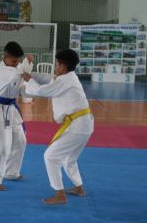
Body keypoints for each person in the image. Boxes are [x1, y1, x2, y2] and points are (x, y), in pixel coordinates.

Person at [22, 49, 94, 205]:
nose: (55, 67)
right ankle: (79, 188)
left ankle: (60, 194)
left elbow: (43, 90)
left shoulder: (65, 81)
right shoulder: (66, 77)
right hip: (82, 124)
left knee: (51, 156)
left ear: (63, 67)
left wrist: (28, 80)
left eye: (56, 65)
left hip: (78, 126)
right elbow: (47, 78)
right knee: (69, 159)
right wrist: (31, 75)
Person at [0, 41, 33, 191]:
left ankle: (11, 172)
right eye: (14, 61)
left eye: (18, 60)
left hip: (12, 108)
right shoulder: (0, 69)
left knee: (21, 141)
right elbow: (16, 76)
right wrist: (27, 63)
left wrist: (26, 67)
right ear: (5, 57)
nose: (16, 63)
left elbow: (23, 81)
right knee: (0, 146)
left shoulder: (17, 67)